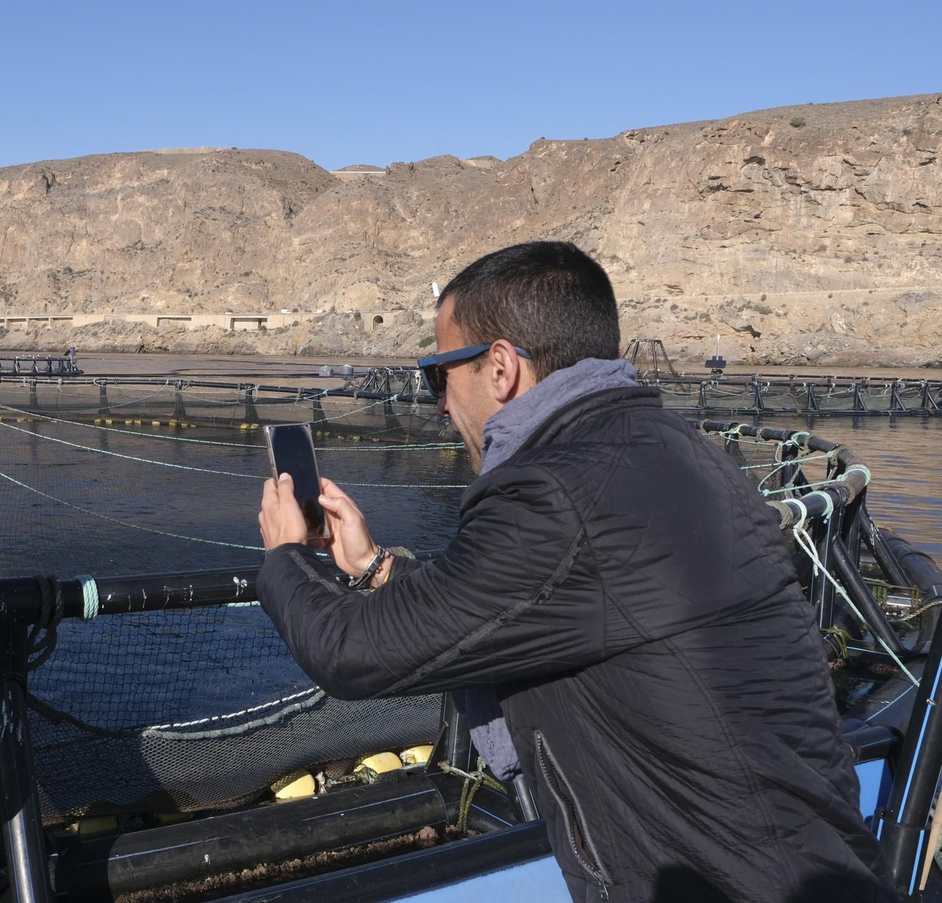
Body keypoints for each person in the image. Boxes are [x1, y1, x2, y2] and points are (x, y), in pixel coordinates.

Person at [255, 242, 892, 902]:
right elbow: (506, 600)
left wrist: (286, 557)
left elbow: (352, 653)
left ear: (500, 368)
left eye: (438, 376)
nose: (439, 405)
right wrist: (376, 567)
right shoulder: (673, 451)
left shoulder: (556, 492)